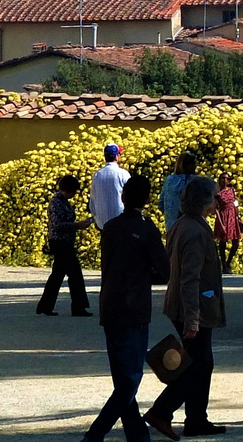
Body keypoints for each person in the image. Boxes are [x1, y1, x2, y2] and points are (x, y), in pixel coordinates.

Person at [83, 173, 169, 442]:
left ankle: (137, 433)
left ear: (122, 197)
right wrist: (145, 276)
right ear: (146, 199)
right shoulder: (147, 229)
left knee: (122, 377)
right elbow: (165, 272)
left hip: (110, 305)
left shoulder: (110, 227)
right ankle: (95, 434)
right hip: (134, 308)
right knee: (130, 380)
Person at [145, 177, 225, 440]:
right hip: (193, 308)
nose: (217, 201)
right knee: (195, 366)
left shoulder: (183, 224)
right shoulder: (196, 231)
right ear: (204, 201)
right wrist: (193, 320)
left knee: (202, 362)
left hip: (185, 305)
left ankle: (196, 419)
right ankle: (162, 411)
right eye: (214, 197)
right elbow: (190, 278)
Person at [36, 174, 91, 317]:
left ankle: (45, 306)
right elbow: (57, 224)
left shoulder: (63, 202)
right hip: (60, 242)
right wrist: (77, 225)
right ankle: (78, 306)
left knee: (58, 275)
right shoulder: (56, 202)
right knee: (75, 274)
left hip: (64, 241)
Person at [91, 144, 131, 231]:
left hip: (102, 224)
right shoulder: (123, 174)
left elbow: (93, 200)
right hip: (120, 224)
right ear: (117, 156)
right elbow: (131, 198)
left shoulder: (97, 175)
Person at [213, 174, 243, 273]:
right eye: (223, 178)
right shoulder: (217, 193)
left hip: (233, 215)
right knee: (223, 241)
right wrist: (221, 223)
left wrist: (239, 217)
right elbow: (216, 208)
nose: (225, 180)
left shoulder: (232, 190)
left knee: (236, 240)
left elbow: (235, 203)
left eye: (227, 178)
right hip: (223, 216)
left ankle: (228, 262)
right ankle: (223, 265)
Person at [160, 152, 198, 231]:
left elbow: (161, 204)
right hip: (188, 227)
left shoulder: (169, 180)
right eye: (192, 164)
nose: (195, 166)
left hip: (171, 227)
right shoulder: (193, 180)